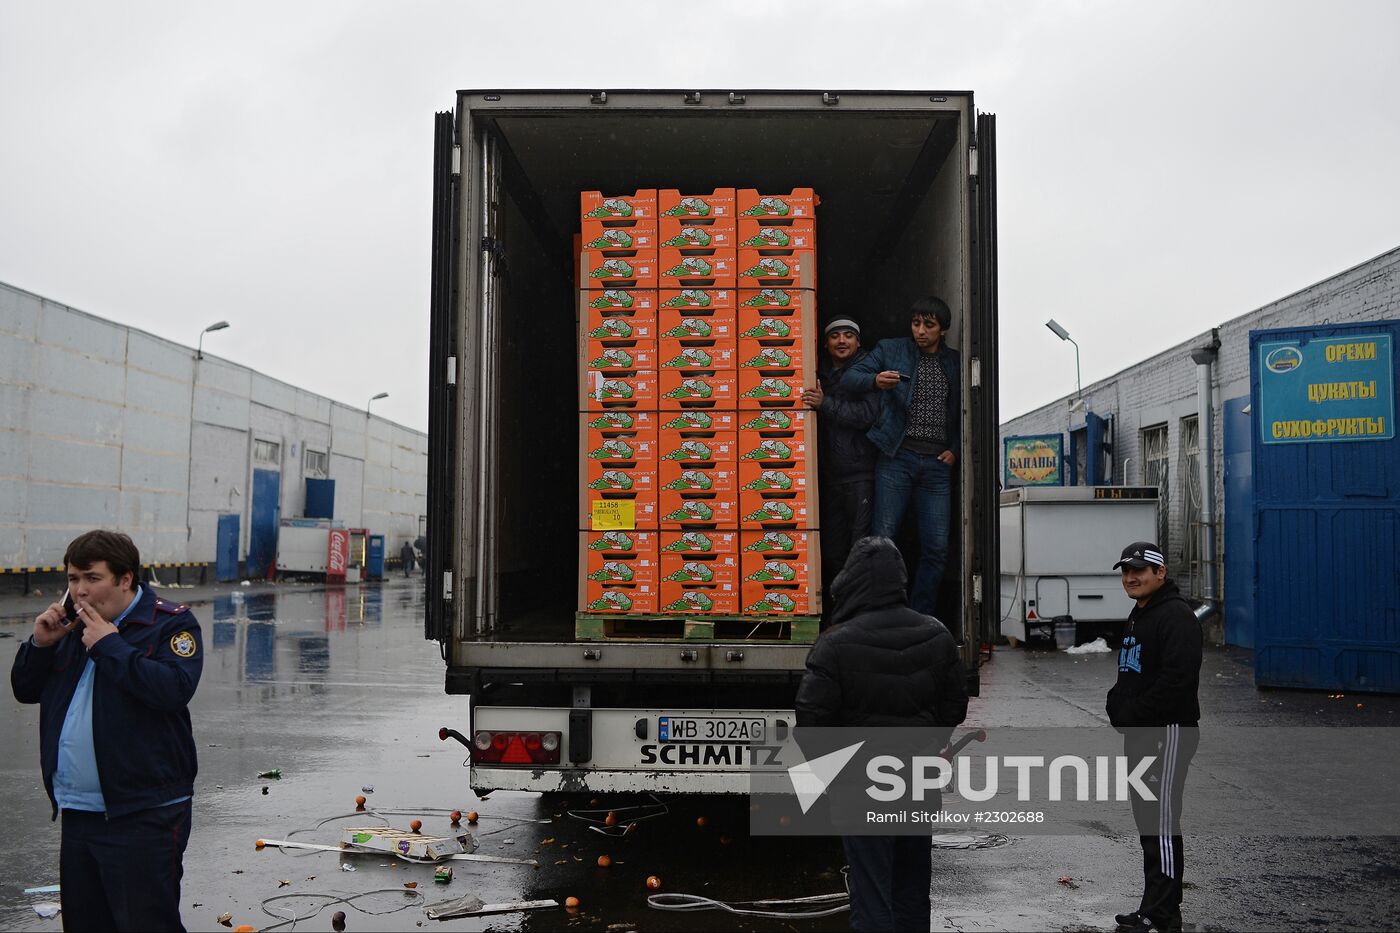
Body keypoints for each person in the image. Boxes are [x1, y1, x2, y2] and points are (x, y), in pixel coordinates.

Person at [11, 530, 203, 931]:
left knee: (145, 923)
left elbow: (173, 690)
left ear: (125, 579)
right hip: (79, 811)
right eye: (72, 579)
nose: (79, 591)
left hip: (143, 811)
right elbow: (25, 690)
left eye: (92, 578)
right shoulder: (69, 627)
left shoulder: (170, 623)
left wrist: (110, 646)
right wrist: (40, 644)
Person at [795, 536, 969, 932]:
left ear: (852, 581)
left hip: (860, 790)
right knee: (911, 893)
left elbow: (812, 720)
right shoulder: (936, 635)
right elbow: (953, 706)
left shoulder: (834, 644)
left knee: (871, 897)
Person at [841, 296, 961, 617]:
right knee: (882, 544)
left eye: (929, 325)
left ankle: (918, 617)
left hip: (937, 466)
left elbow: (970, 412)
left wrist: (956, 448)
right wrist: (874, 381)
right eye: (916, 323)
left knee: (936, 548)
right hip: (897, 459)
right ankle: (881, 615)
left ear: (944, 330)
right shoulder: (892, 350)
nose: (920, 331)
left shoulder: (956, 363)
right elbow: (849, 377)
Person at [1105, 541, 1203, 933]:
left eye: (1139, 571)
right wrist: (1117, 704)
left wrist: (1133, 712)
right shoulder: (1140, 613)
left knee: (1160, 821)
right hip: (1142, 732)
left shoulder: (1176, 617)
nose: (1131, 578)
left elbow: (1177, 682)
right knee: (1148, 820)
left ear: (1160, 573)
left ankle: (1159, 912)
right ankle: (1161, 908)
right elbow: (1131, 672)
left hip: (1168, 731)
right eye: (1126, 571)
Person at [801, 317, 880, 601]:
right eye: (835, 336)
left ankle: (858, 613)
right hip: (827, 477)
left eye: (848, 335)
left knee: (859, 550)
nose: (842, 341)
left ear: (859, 342)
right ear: (826, 343)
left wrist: (827, 404)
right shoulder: (815, 375)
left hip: (860, 475)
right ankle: (837, 612)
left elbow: (867, 416)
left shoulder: (865, 373)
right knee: (832, 551)